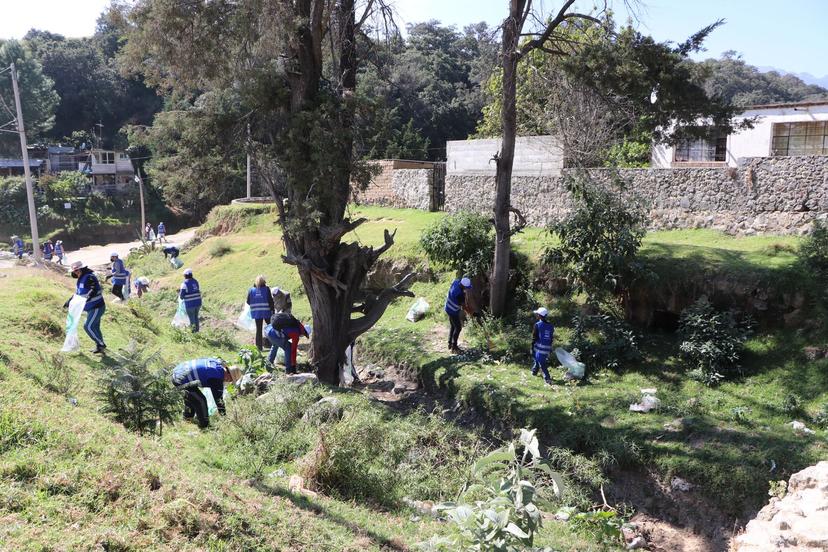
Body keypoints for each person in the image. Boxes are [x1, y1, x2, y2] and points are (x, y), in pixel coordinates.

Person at [170, 358, 241, 429]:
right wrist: (224, 417)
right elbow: (219, 400)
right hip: (180, 378)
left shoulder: (217, 365)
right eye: (231, 379)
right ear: (229, 374)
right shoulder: (216, 377)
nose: (229, 381)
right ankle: (204, 426)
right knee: (200, 401)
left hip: (178, 370)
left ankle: (187, 417)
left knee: (193, 396)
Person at [64, 260, 106, 354]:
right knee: (95, 327)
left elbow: (94, 288)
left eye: (77, 270)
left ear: (82, 269)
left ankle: (101, 344)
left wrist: (88, 297)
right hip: (91, 308)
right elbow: (79, 293)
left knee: (88, 326)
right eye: (74, 271)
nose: (76, 272)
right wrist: (69, 301)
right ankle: (100, 345)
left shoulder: (89, 277)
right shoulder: (81, 278)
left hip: (97, 307)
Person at [444, 276, 472, 353]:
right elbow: (464, 307)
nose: (467, 289)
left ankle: (450, 344)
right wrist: (473, 313)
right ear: (463, 286)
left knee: (453, 325)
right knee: (458, 328)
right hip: (452, 311)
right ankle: (454, 347)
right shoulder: (460, 295)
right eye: (467, 288)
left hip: (447, 307)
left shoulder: (456, 281)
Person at [247, 275, 274, 351]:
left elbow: (248, 301)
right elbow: (270, 301)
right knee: (270, 328)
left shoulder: (251, 290)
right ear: (264, 281)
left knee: (258, 330)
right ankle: (273, 345)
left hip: (256, 313)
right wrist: (272, 310)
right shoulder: (267, 289)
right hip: (267, 312)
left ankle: (259, 347)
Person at [530, 307, 555, 385]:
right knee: (538, 358)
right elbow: (551, 337)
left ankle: (547, 379)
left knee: (542, 363)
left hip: (539, 347)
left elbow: (534, 337)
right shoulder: (551, 325)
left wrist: (531, 347)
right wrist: (550, 347)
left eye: (537, 314)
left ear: (540, 316)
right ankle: (534, 371)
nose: (536, 315)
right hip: (547, 347)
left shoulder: (537, 325)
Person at [179, 268, 202, 332]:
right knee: (196, 317)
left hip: (190, 304)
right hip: (198, 303)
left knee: (191, 318)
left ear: (185, 276)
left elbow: (181, 296)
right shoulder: (196, 281)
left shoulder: (184, 284)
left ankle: (193, 332)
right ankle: (197, 331)